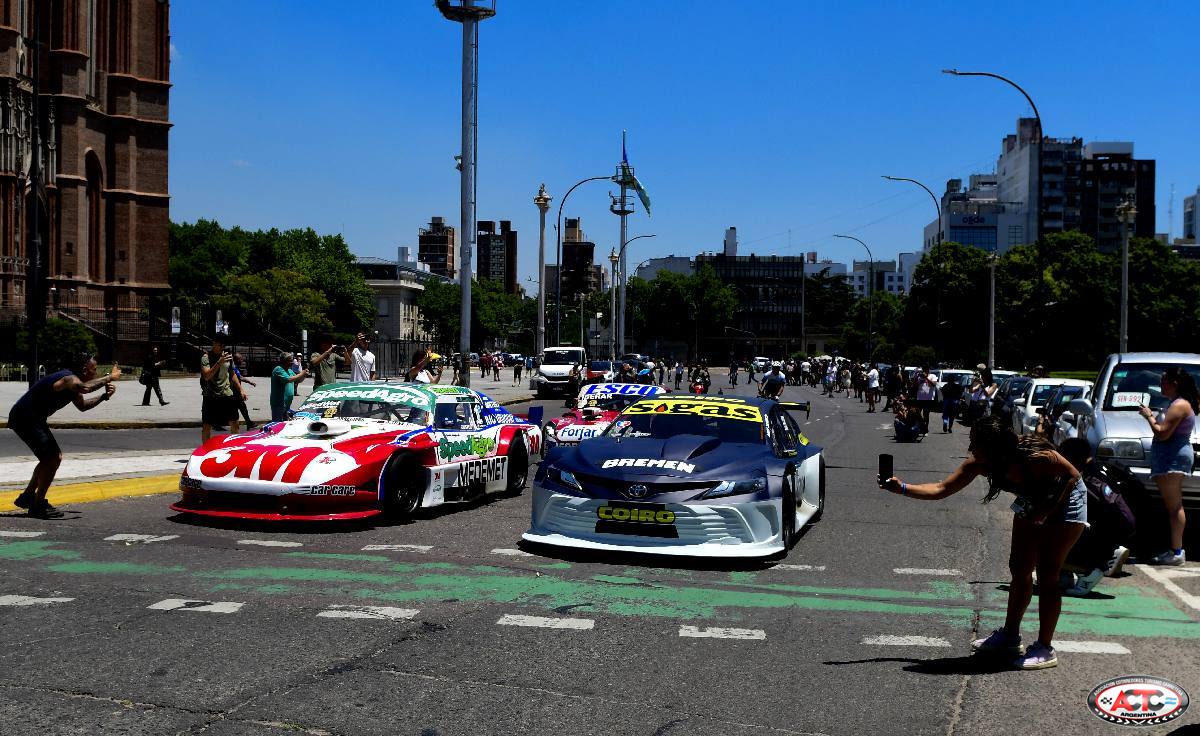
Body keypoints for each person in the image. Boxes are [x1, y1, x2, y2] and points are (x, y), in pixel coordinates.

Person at [880, 417, 1088, 670]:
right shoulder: (979, 463)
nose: (971, 448)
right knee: (1019, 567)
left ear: (995, 448)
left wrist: (1047, 510)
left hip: (1065, 500)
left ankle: (1045, 648)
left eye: (975, 442)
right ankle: (1011, 636)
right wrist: (901, 487)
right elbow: (940, 488)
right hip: (1032, 501)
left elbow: (1073, 475)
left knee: (1047, 574)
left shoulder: (1036, 456)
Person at [9, 353, 120, 518]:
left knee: (48, 459)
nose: (96, 373)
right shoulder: (69, 379)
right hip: (26, 417)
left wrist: (104, 397)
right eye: (94, 369)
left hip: (31, 418)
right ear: (85, 369)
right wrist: (110, 377)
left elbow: (83, 406)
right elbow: (85, 388)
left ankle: (28, 496)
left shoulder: (73, 385)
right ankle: (38, 504)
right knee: (54, 458)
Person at [1057, 438, 1135, 595]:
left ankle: (1093, 568)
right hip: (1122, 525)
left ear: (1073, 457)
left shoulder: (1088, 479)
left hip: (1110, 531)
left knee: (1052, 532)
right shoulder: (1103, 468)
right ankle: (1066, 575)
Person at [1139, 366, 1196, 565]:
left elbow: (1162, 432)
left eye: (1164, 381)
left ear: (1175, 384)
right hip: (1170, 457)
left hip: (1172, 458)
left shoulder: (1179, 405)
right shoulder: (1177, 403)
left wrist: (1148, 416)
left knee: (1175, 507)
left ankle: (1177, 552)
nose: (1160, 385)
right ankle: (1175, 550)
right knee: (1173, 506)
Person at [201, 335, 245, 443]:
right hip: (210, 395)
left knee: (234, 422)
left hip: (227, 394)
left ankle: (235, 448)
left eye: (223, 345)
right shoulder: (206, 357)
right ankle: (206, 450)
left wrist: (241, 389)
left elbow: (232, 373)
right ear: (214, 343)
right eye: (220, 345)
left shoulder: (227, 356)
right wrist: (219, 362)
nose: (222, 347)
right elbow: (207, 375)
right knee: (207, 425)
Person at [270, 352, 308, 422]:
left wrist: (304, 375)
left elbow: (298, 380)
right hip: (279, 403)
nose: (292, 362)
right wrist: (302, 373)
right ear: (284, 361)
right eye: (290, 361)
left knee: (285, 424)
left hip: (287, 404)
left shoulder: (289, 371)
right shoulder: (278, 369)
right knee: (277, 424)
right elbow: (288, 379)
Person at [230, 353, 257, 430]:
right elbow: (240, 378)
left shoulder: (235, 367)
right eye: (241, 359)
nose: (242, 360)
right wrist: (249, 382)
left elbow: (240, 377)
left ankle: (249, 423)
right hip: (234, 392)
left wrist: (249, 382)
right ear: (237, 360)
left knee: (242, 407)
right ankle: (248, 423)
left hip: (235, 392)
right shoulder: (234, 368)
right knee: (239, 408)